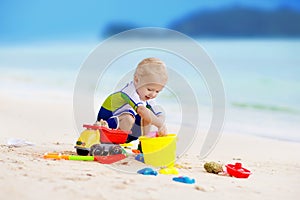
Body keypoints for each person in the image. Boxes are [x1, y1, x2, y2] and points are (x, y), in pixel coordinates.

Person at [97, 57, 168, 142]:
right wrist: (160, 125)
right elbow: (141, 110)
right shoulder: (129, 92)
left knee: (149, 115)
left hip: (125, 128)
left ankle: (144, 144)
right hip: (106, 124)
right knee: (131, 117)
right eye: (149, 89)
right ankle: (115, 143)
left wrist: (161, 122)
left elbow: (157, 112)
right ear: (136, 80)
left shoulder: (146, 96)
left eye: (157, 91)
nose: (153, 94)